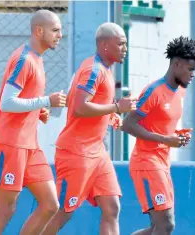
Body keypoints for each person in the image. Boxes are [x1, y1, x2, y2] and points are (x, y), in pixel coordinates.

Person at [43, 22, 136, 235]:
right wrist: (115, 107)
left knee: (112, 207)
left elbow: (93, 104)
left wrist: (111, 115)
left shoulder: (105, 69)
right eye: (120, 44)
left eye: (126, 44)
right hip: (77, 152)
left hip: (97, 152)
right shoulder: (93, 70)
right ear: (104, 45)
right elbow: (79, 107)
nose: (125, 49)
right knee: (63, 212)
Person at [0, 10, 66, 235]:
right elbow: (7, 103)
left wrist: (38, 110)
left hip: (30, 145)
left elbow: (21, 99)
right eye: (56, 30)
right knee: (6, 210)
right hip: (10, 144)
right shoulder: (24, 59)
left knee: (50, 205)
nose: (61, 34)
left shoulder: (36, 59)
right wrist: (46, 100)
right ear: (39, 31)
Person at [123, 36, 195, 235]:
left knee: (159, 227)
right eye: (190, 69)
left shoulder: (180, 91)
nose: (194, 74)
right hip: (146, 163)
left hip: (162, 163)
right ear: (176, 64)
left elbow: (160, 127)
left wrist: (176, 135)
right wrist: (166, 139)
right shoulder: (153, 91)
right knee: (166, 225)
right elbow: (128, 124)